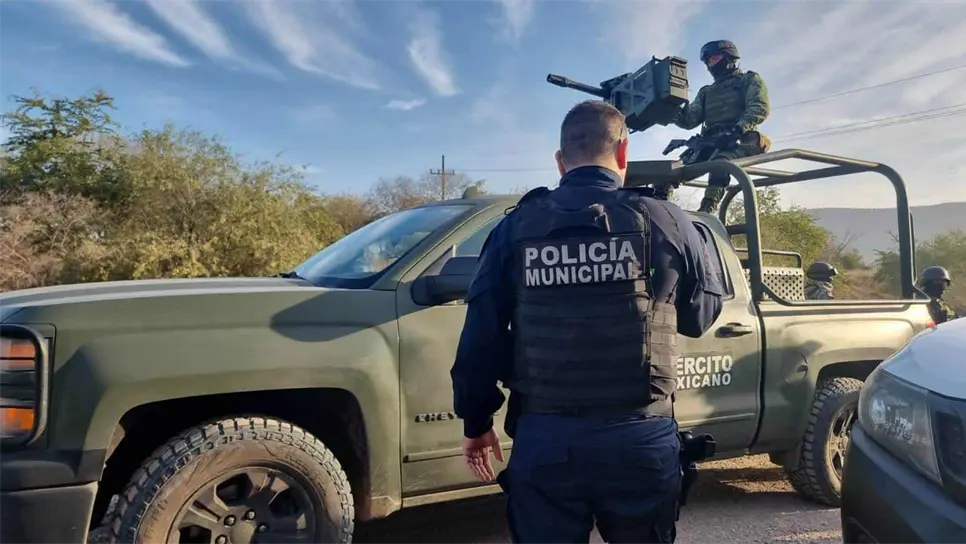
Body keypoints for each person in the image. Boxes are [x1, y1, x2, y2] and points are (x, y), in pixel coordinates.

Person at [450, 99, 725, 543]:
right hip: (640, 437)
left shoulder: (515, 227)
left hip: (546, 439)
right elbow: (700, 318)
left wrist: (476, 422)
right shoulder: (666, 218)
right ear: (623, 154)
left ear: (560, 161)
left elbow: (480, 336)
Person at [671, 40, 771, 214]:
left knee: (720, 164)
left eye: (715, 58)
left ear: (729, 57)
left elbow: (758, 107)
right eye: (708, 61)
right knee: (671, 171)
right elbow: (689, 120)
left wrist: (737, 130)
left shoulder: (748, 80)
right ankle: (660, 209)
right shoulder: (707, 92)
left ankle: (707, 210)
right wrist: (670, 107)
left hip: (740, 140)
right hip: (710, 142)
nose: (711, 64)